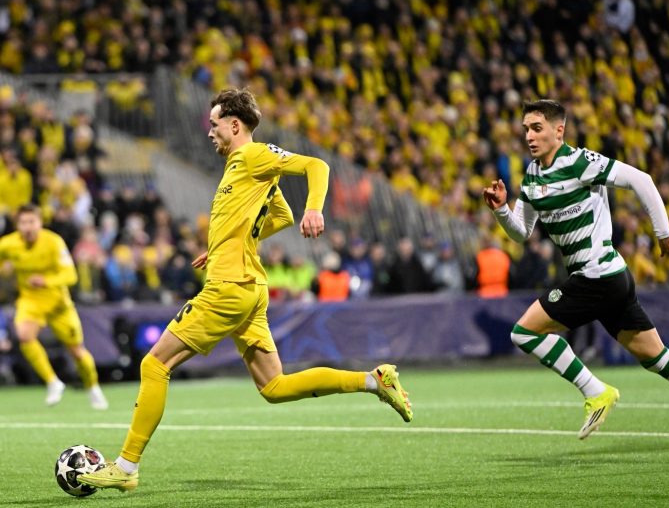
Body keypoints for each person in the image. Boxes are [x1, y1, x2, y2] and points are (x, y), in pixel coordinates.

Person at [79, 88, 412, 492]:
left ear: (234, 125)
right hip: (250, 287)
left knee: (154, 365)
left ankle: (126, 467)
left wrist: (314, 208)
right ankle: (374, 380)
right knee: (274, 386)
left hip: (229, 288)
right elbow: (280, 215)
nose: (209, 132)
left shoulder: (253, 156)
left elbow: (317, 165)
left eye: (214, 124)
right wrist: (224, 244)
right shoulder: (244, 167)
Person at [483, 99, 669, 440]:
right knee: (657, 358)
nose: (529, 136)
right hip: (610, 279)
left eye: (537, 128)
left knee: (524, 333)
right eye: (526, 129)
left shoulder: (579, 162)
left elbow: (641, 179)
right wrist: (501, 211)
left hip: (597, 276)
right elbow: (521, 232)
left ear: (559, 130)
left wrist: (663, 232)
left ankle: (595, 391)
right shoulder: (533, 175)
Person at [0, 204, 108, 409]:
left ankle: (93, 386)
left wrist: (46, 281)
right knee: (24, 336)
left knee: (77, 352)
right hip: (30, 300)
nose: (28, 227)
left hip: (58, 303)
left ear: (40, 222)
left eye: (31, 222)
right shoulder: (8, 244)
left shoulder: (53, 242)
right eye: (23, 223)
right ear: (17, 225)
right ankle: (53, 382)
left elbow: (71, 275)